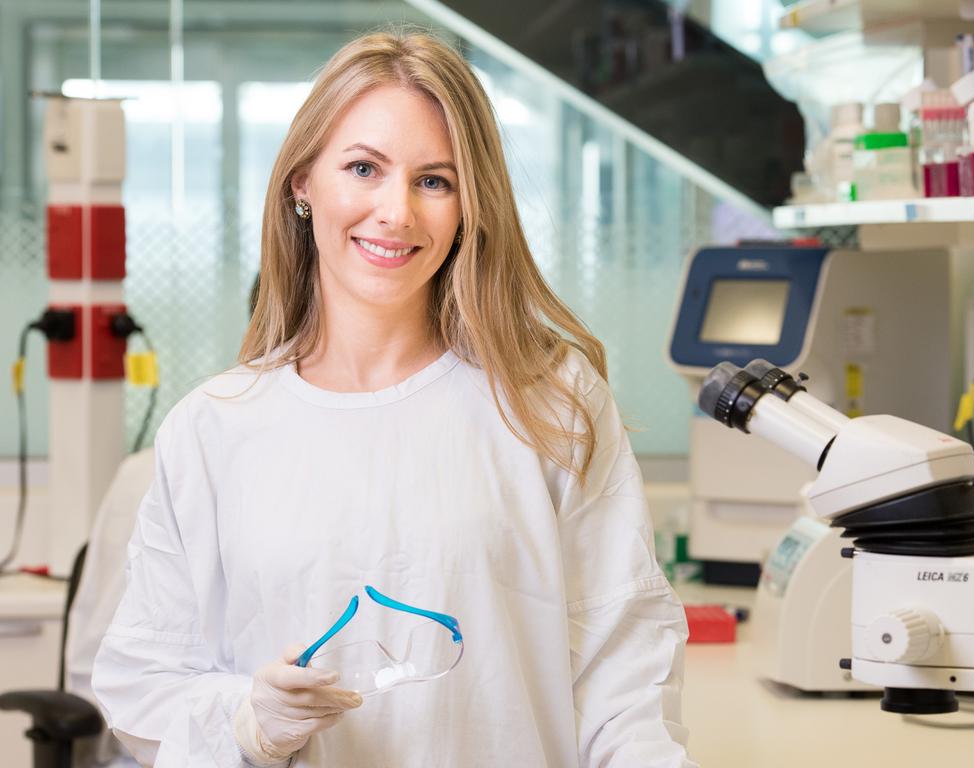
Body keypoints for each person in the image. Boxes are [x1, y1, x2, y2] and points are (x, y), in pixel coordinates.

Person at [92, 31, 698, 768]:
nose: (397, 212)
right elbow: (140, 689)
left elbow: (625, 672)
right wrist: (250, 722)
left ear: (470, 205)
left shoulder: (547, 401)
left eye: (434, 181)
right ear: (303, 184)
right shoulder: (214, 429)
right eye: (363, 168)